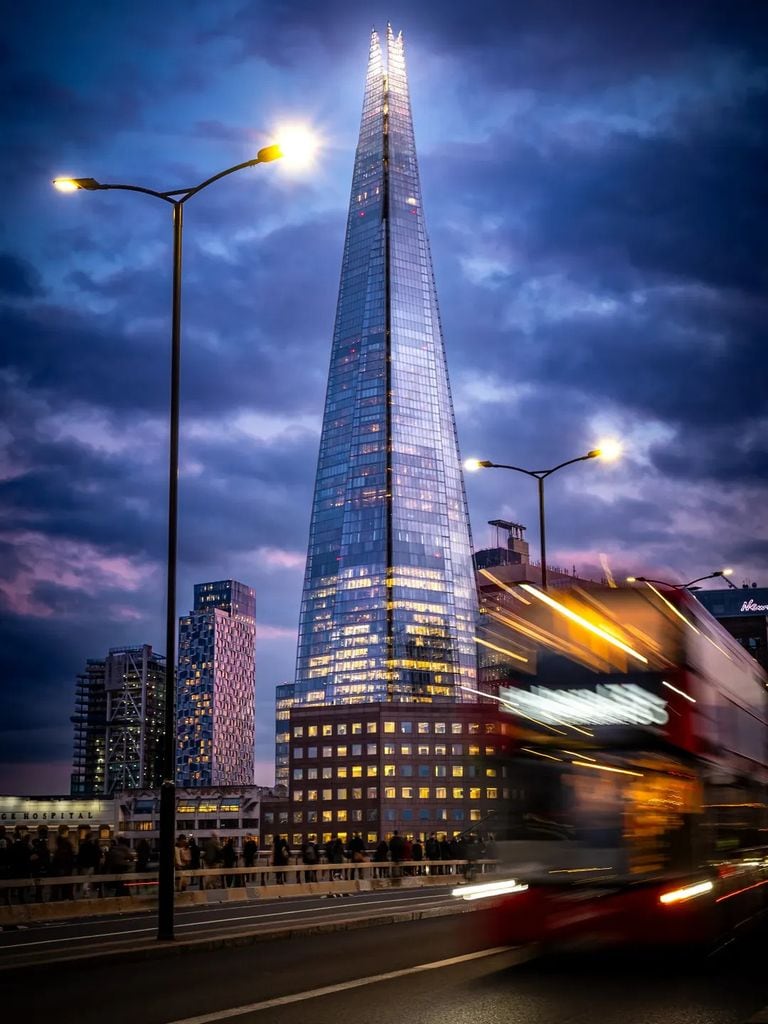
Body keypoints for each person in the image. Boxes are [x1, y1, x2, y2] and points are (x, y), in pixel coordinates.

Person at [76, 827, 101, 898]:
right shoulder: (93, 846)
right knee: (89, 879)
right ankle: (88, 892)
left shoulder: (82, 846)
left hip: (84, 865)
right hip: (91, 865)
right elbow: (96, 856)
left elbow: (80, 856)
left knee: (86, 879)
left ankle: (86, 892)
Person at [51, 825, 75, 900]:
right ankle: (66, 898)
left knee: (58, 886)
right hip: (65, 868)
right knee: (65, 885)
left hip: (59, 868)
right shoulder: (65, 843)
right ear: (65, 831)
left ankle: (57, 898)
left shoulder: (58, 842)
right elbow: (66, 856)